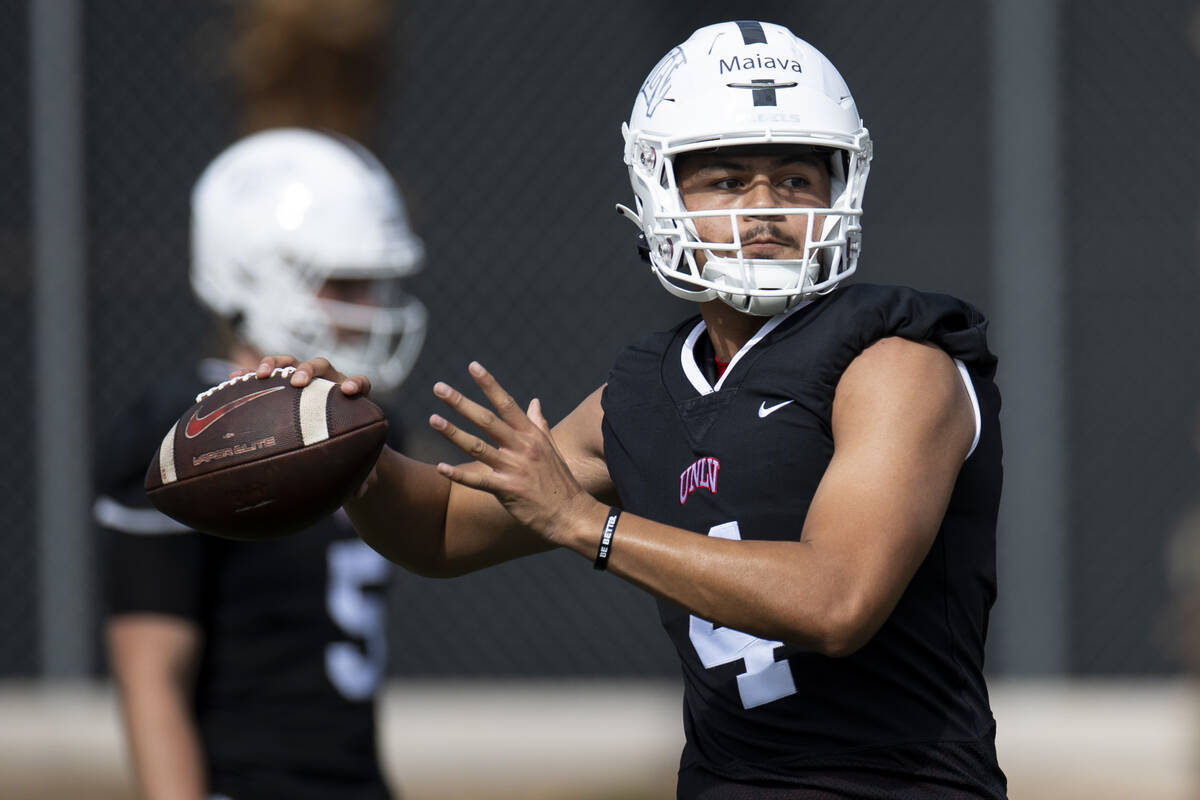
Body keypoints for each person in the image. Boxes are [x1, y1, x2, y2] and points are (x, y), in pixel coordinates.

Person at [259, 21, 1007, 799]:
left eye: (794, 178)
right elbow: (444, 529)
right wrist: (343, 446)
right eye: (725, 180)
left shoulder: (896, 363)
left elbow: (837, 598)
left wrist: (589, 524)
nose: (765, 209)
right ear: (658, 189)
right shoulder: (647, 392)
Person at [95, 128, 426, 800]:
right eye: (346, 283)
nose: (368, 311)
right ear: (252, 274)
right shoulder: (184, 437)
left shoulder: (364, 426)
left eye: (374, 284)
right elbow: (151, 676)